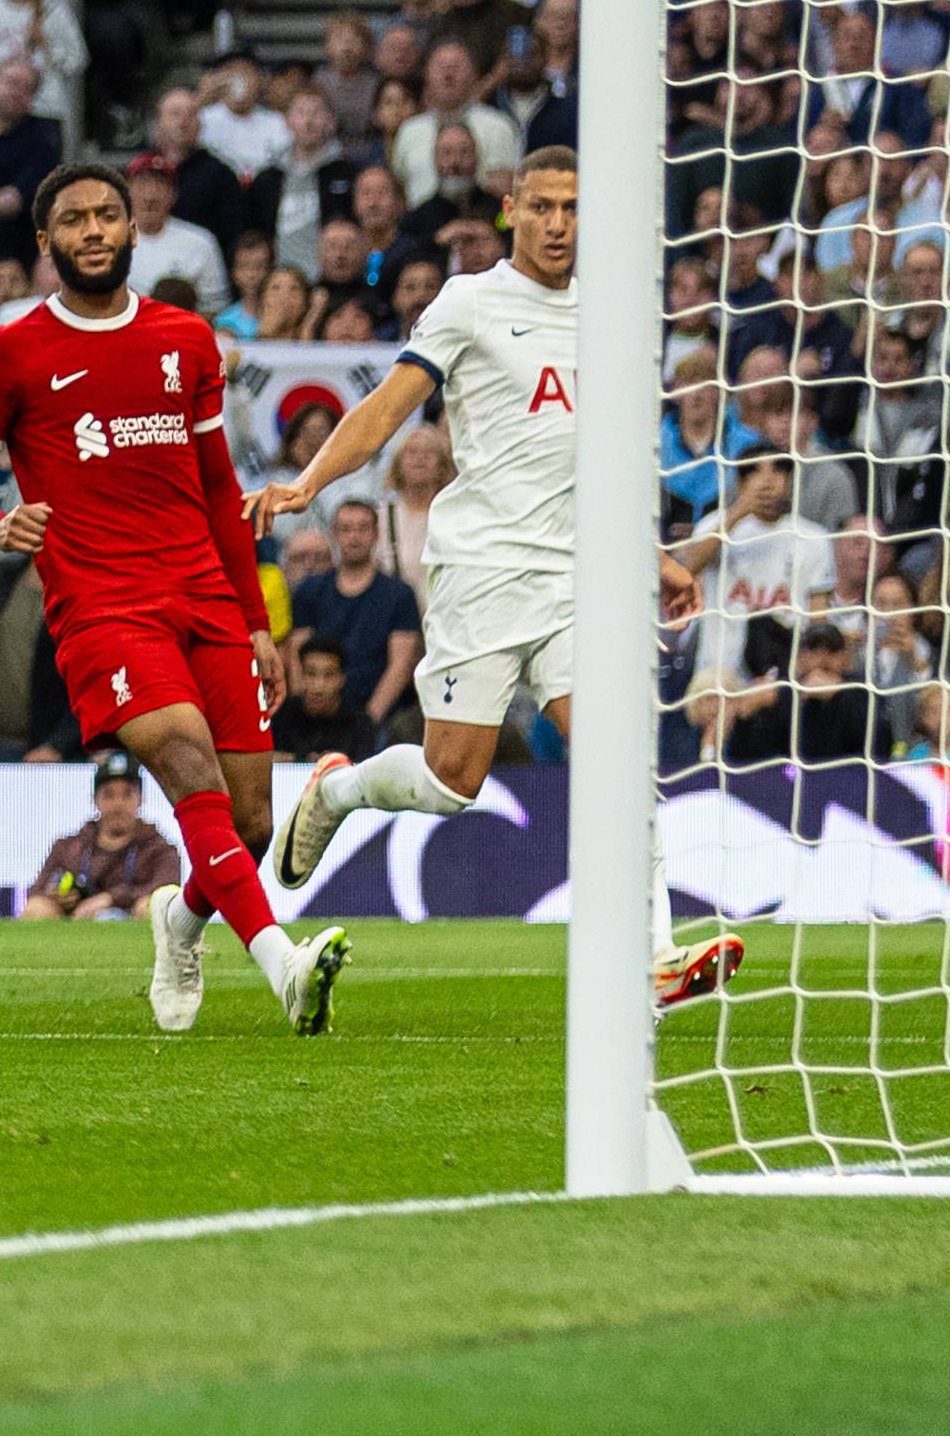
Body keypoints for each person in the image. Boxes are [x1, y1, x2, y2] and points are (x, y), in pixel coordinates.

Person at [254, 149, 741, 1012]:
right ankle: (338, 788)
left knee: (615, 755)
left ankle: (655, 954)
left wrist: (653, 555)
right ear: (512, 209)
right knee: (452, 779)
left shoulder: (617, 311)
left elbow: (612, 454)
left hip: (579, 573)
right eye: (543, 206)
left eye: (574, 208)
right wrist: (311, 481)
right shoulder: (469, 300)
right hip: (483, 567)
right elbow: (383, 410)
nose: (559, 224)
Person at [0, 160, 339, 1035]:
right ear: (44, 241)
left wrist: (256, 622)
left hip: (203, 596)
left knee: (252, 821)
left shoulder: (185, 337)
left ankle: (178, 921)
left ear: (130, 229)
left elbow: (219, 486)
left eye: (106, 215)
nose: (92, 230)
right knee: (187, 765)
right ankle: (283, 964)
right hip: (103, 608)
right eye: (72, 218)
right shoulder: (9, 350)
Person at [19, 751, 182, 918]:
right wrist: (57, 895)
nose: (118, 805)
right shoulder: (69, 847)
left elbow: (168, 891)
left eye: (127, 794)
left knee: (150, 907)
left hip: (132, 926)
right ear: (95, 800)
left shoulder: (160, 849)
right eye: (109, 795)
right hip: (78, 924)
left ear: (140, 799)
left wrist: (112, 898)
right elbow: (36, 890)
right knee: (37, 908)